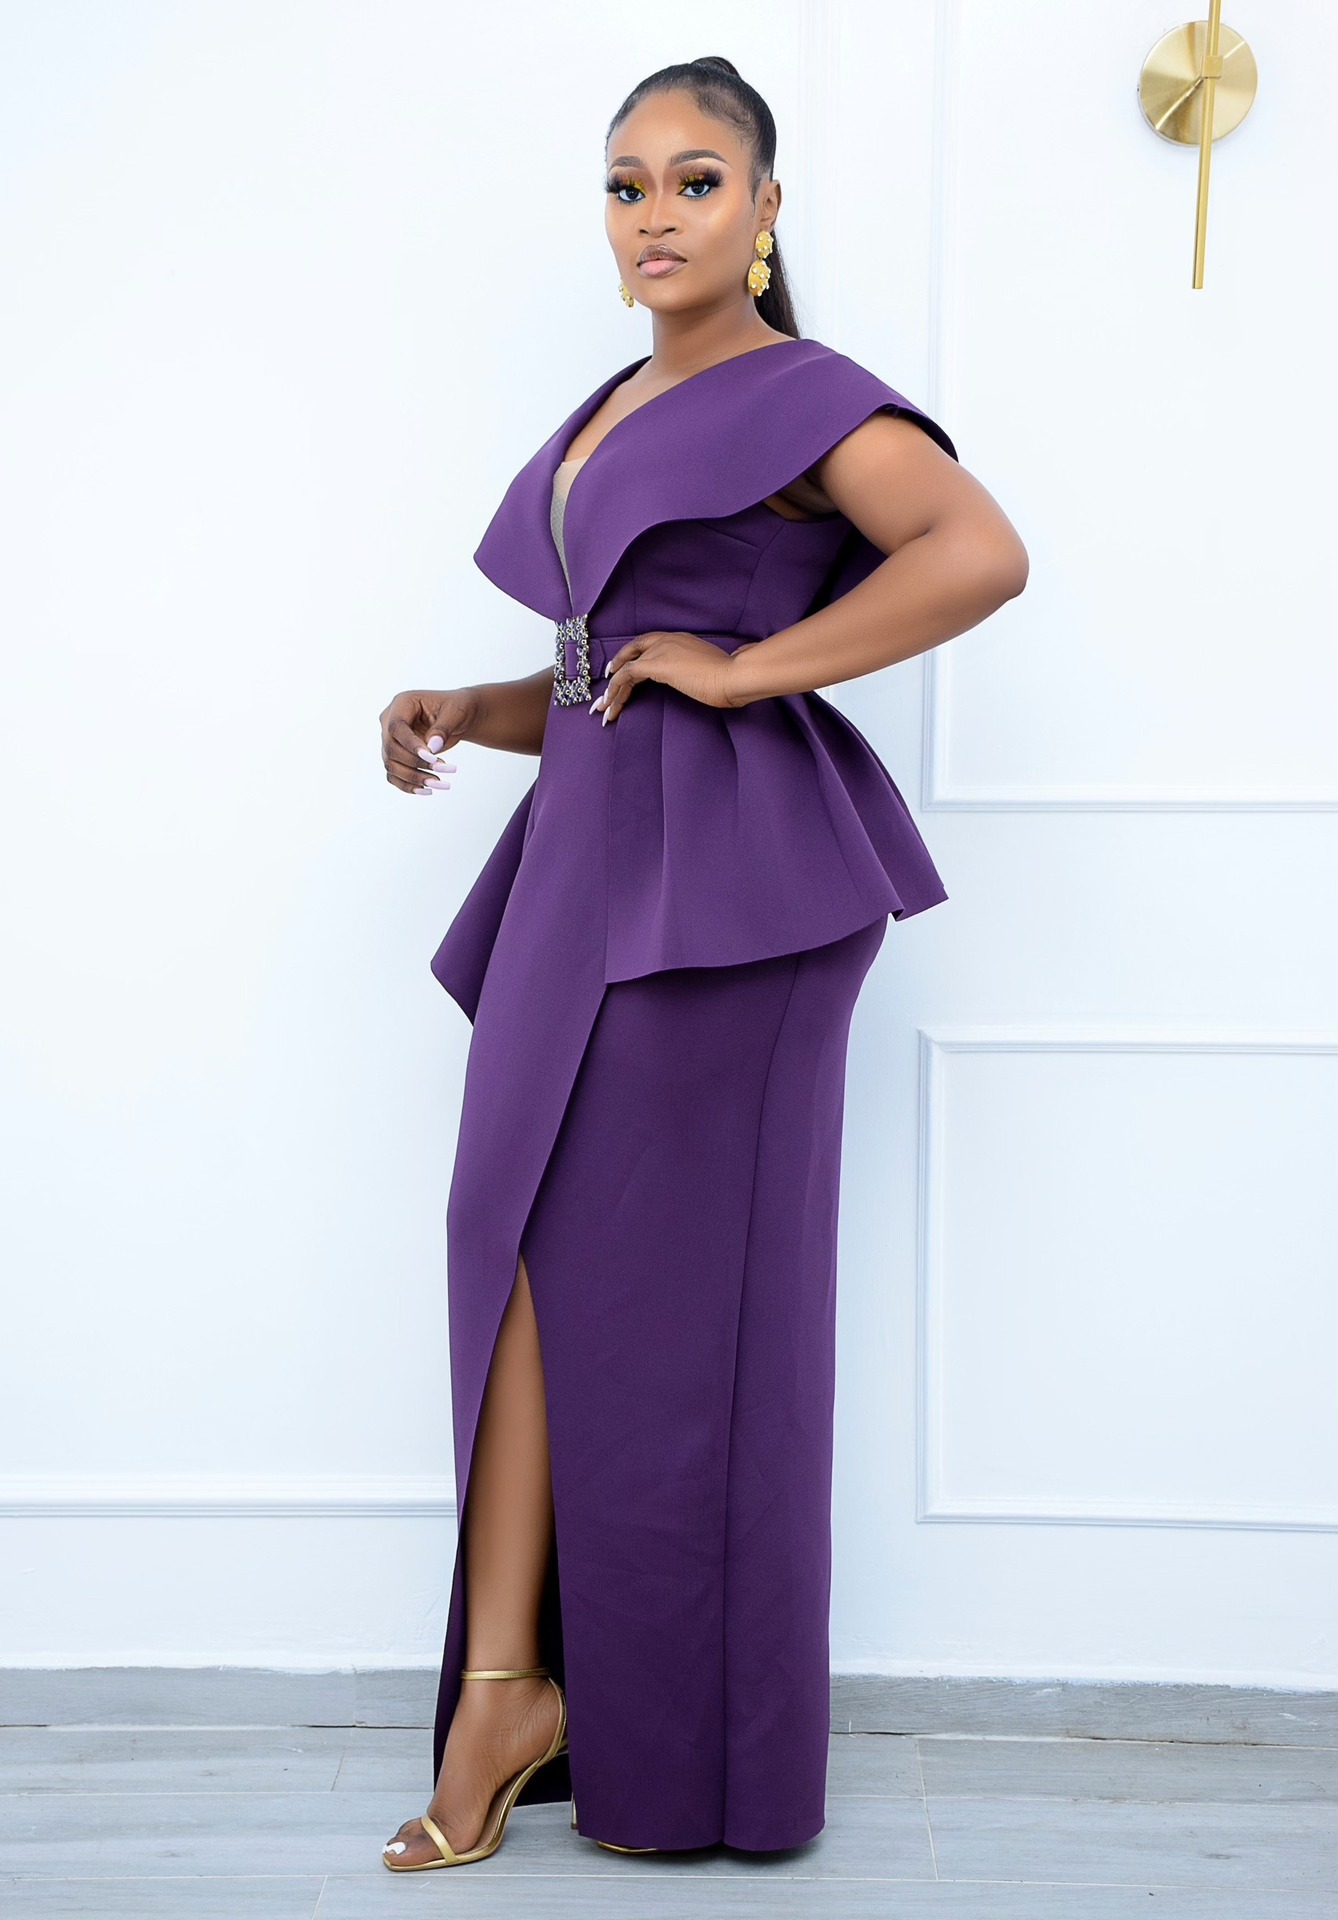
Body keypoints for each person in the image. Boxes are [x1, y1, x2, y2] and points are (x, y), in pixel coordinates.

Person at [377, 56, 1027, 1871]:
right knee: (505, 1242)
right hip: (581, 868)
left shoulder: (805, 394)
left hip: (726, 896)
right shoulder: (610, 404)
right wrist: (477, 704)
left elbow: (977, 552)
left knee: (667, 1319)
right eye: (625, 184)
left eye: (693, 180)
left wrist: (752, 671)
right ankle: (510, 1685)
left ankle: (672, 1752)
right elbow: (613, 664)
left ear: (763, 210)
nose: (653, 213)